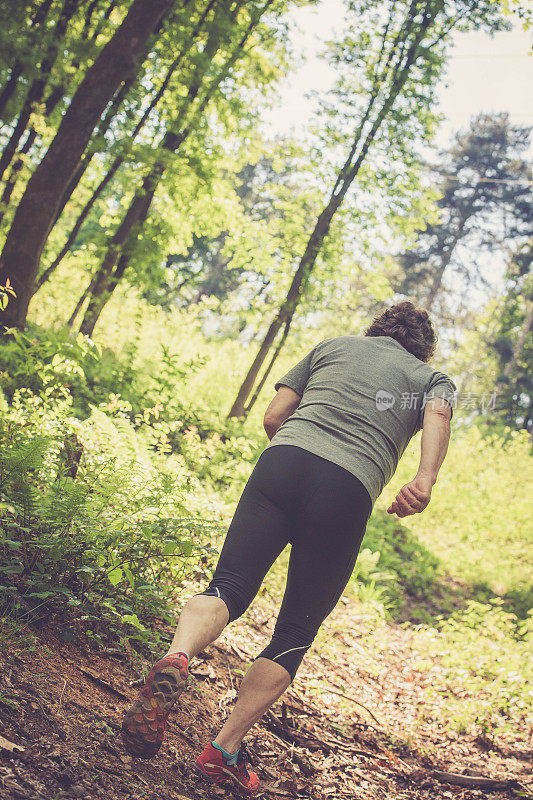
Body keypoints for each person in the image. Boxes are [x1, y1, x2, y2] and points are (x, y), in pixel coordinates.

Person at [121, 301, 456, 796]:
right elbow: (438, 416)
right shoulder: (432, 379)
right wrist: (423, 480)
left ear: (375, 329)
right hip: (347, 488)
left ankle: (177, 656)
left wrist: (294, 457)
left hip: (283, 461)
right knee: (294, 631)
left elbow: (275, 414)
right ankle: (223, 750)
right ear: (422, 350)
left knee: (228, 585)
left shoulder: (333, 348)